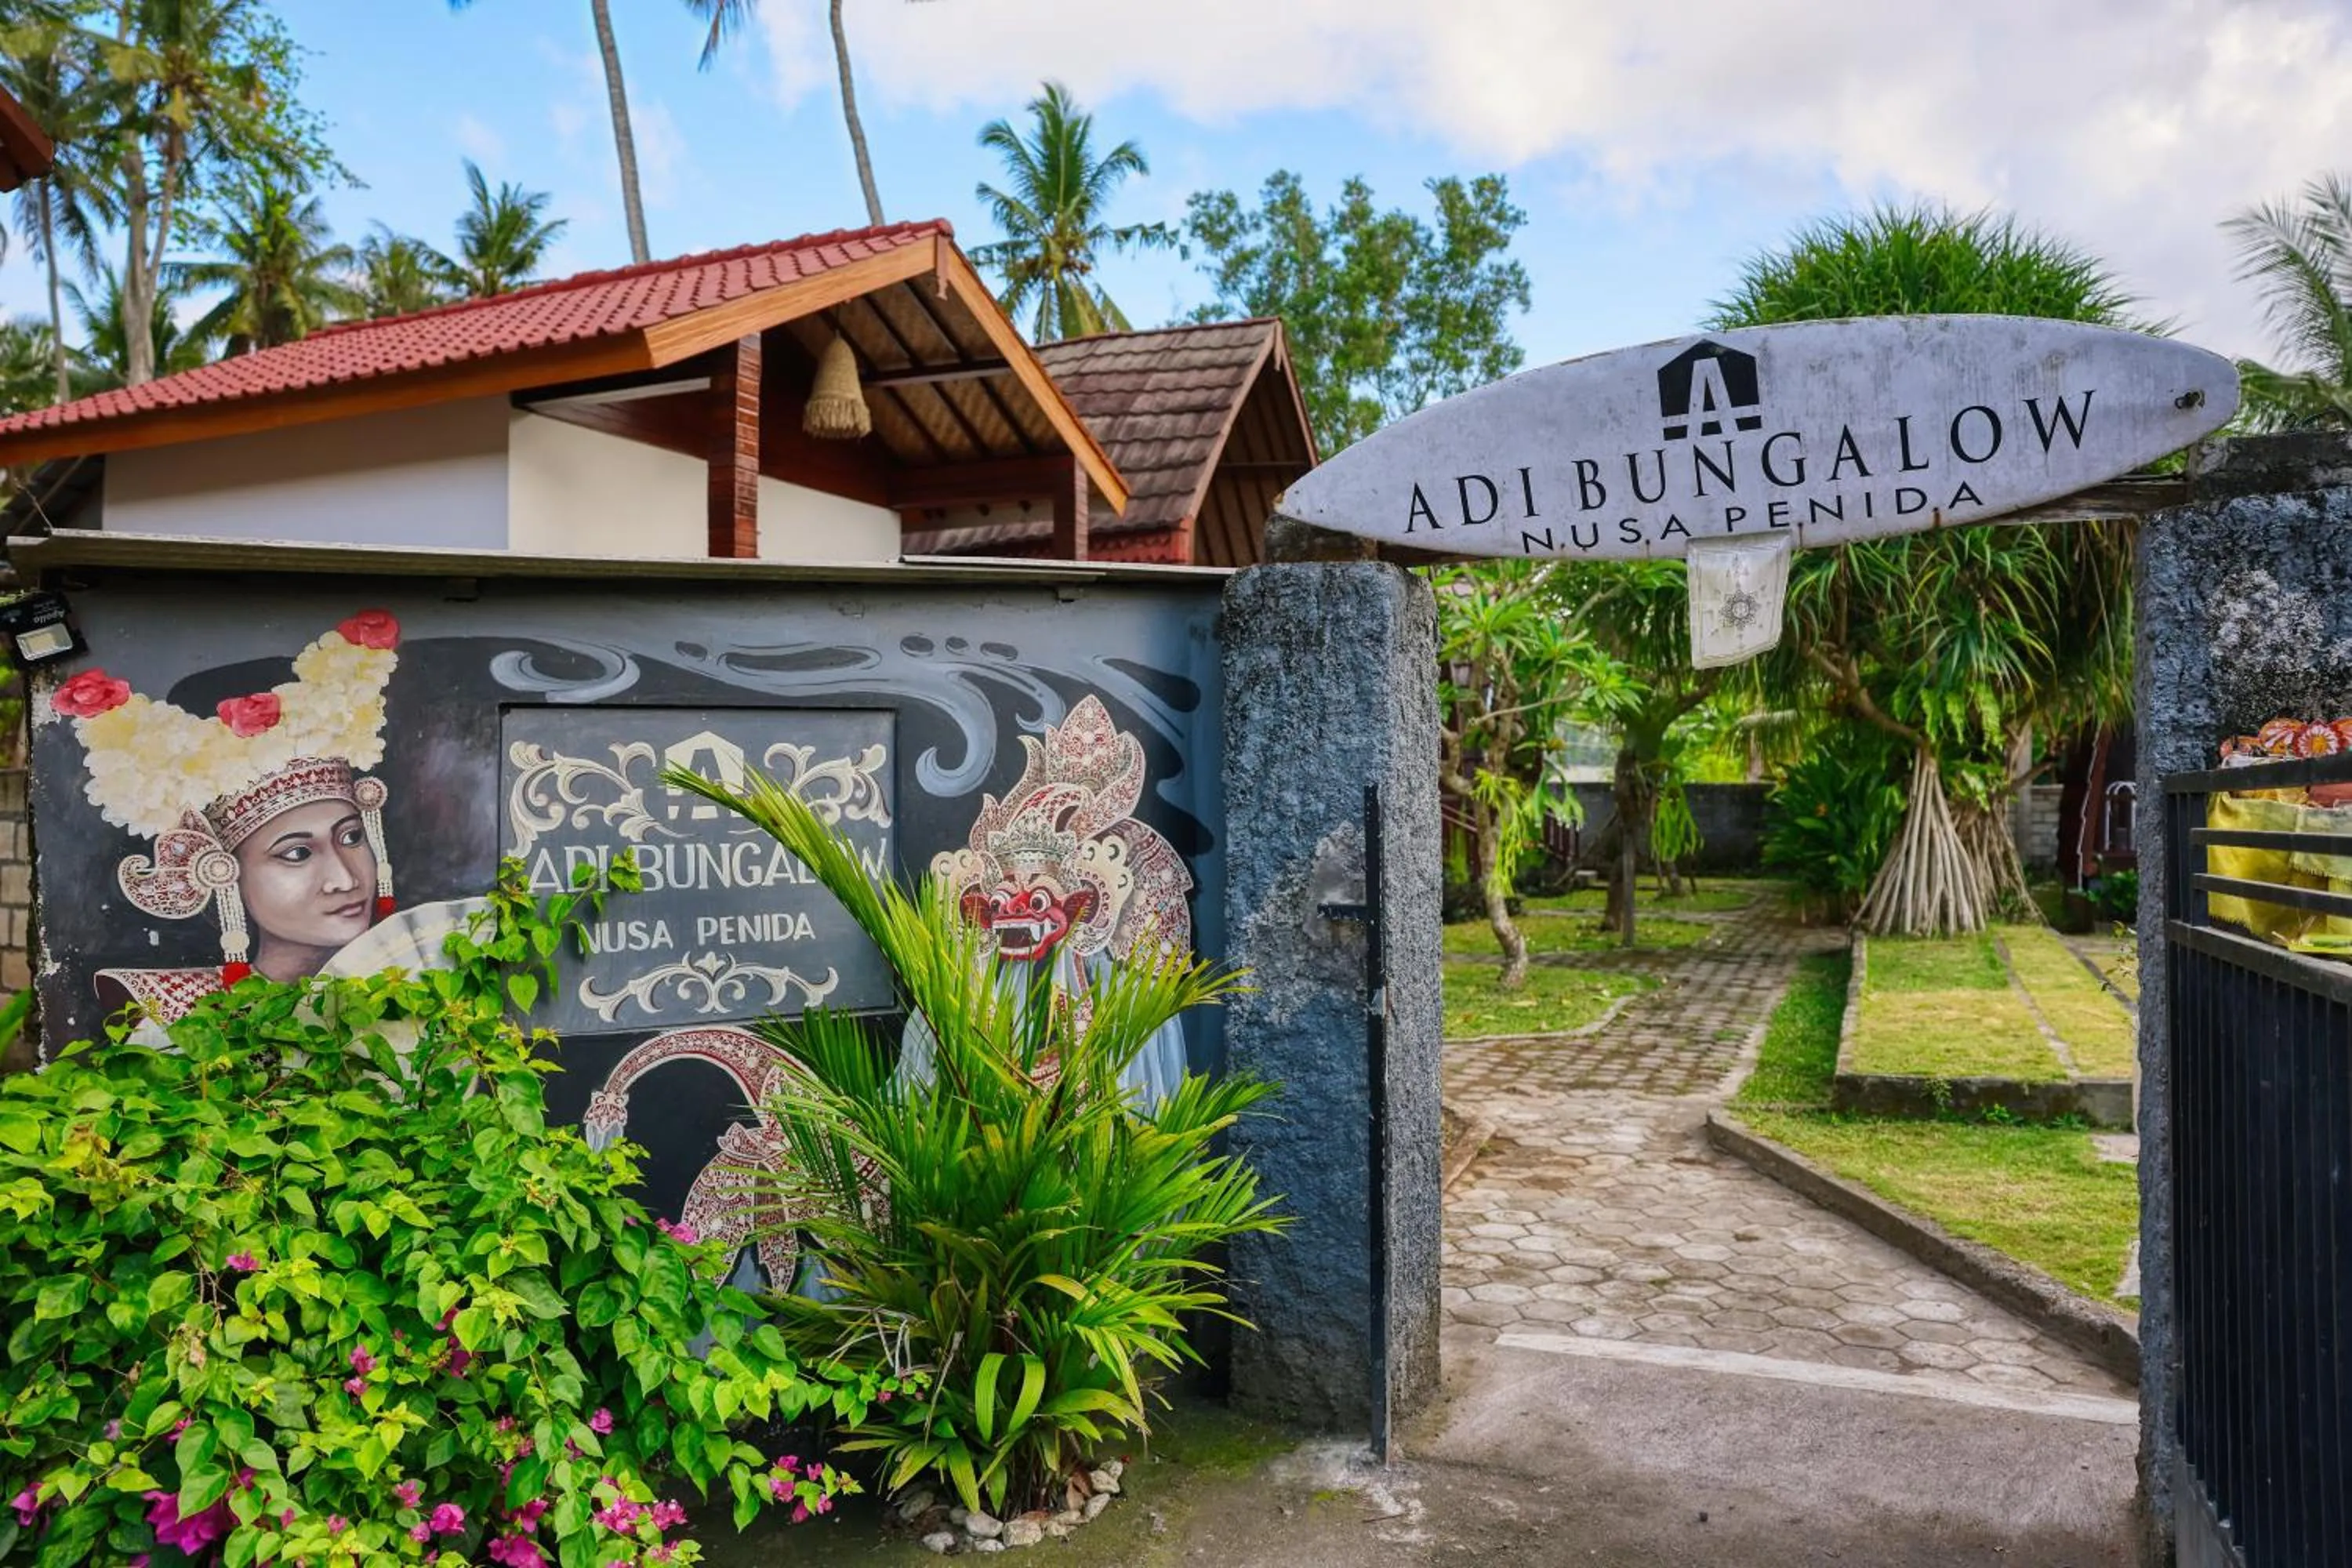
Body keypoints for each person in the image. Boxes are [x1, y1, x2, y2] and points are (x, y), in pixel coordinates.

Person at [49, 611, 403, 1025]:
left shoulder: (424, 987)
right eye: (297, 853)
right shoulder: (179, 1014)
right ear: (222, 871)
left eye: (351, 837)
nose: (345, 879)